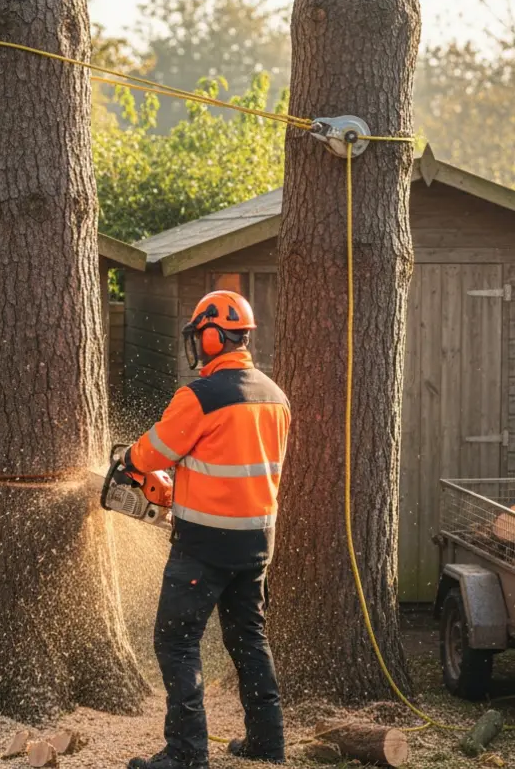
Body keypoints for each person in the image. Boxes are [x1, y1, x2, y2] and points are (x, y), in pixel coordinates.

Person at [123, 290, 291, 769]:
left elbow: (151, 454)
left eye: (200, 334)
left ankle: (186, 753)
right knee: (249, 639)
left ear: (215, 334)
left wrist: (127, 461)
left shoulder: (200, 396)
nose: (197, 343)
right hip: (257, 542)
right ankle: (267, 741)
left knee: (175, 641)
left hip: (203, 545)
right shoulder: (275, 397)